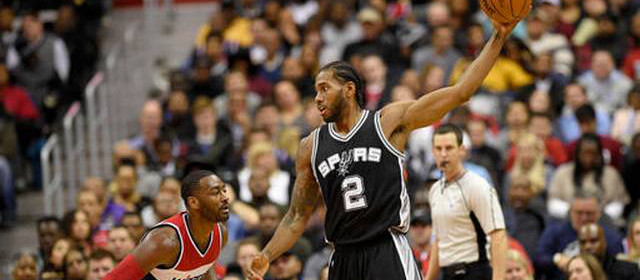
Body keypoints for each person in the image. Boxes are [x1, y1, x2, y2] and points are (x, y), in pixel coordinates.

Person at [248, 15, 522, 280]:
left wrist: (498, 37)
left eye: (324, 88)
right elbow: (297, 216)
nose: (317, 98)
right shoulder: (311, 146)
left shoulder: (386, 122)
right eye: (315, 91)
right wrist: (266, 255)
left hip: (386, 248)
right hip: (342, 255)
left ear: (349, 89)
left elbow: (460, 92)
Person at [102, 170, 229, 280]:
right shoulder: (164, 241)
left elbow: (204, 270)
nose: (225, 197)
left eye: (224, 190)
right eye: (216, 192)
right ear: (194, 202)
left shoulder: (221, 234)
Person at [426, 124, 507, 280]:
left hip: (474, 271)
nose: (443, 154)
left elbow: (498, 235)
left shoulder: (477, 186)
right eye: (438, 148)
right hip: (446, 273)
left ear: (462, 150)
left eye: (449, 148)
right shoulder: (434, 190)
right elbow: (438, 240)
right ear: (433, 152)